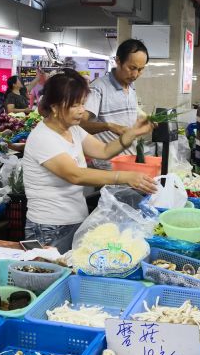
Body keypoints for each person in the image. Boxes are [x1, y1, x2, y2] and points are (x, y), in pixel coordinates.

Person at [22, 70, 156, 251]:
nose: (82, 111)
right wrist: (124, 177)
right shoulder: (43, 137)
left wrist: (133, 132)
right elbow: (75, 175)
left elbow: (104, 150)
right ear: (55, 106)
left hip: (75, 221)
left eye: (83, 104)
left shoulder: (73, 129)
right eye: (75, 105)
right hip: (48, 227)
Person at [81, 39, 149, 166]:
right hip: (107, 165)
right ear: (118, 61)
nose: (135, 74)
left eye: (140, 69)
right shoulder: (98, 88)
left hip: (128, 161)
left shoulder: (131, 87)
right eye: (132, 68)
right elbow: (81, 124)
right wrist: (109, 126)